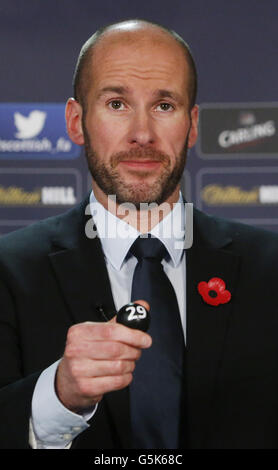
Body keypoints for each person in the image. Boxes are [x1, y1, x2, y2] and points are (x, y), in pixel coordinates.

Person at [0, 19, 278, 450]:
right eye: (116, 104)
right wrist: (58, 394)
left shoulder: (271, 267)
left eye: (164, 105)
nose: (143, 134)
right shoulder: (7, 271)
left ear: (192, 124)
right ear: (76, 122)